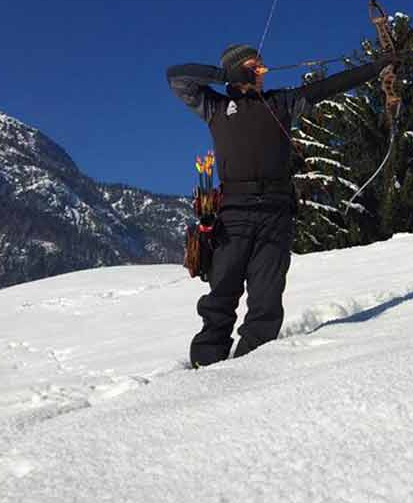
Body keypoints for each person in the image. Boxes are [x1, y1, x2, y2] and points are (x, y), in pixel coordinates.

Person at [167, 44, 396, 367]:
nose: (262, 72)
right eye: (253, 67)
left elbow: (328, 87)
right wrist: (225, 76)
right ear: (236, 70)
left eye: (262, 66)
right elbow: (176, 77)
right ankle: (206, 364)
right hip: (234, 213)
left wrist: (377, 68)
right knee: (222, 292)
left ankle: (251, 369)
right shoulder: (215, 106)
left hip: (277, 212)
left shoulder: (282, 102)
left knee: (267, 300)